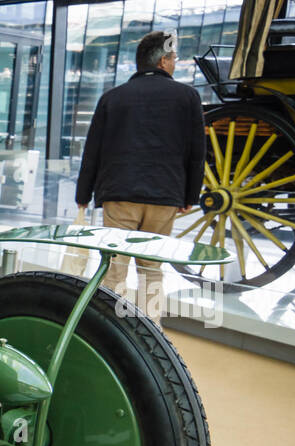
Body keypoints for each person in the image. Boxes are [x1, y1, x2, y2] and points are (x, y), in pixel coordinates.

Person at [75, 31, 205, 324]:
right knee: (152, 269)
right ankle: (151, 336)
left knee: (115, 268)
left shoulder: (112, 98)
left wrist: (83, 196)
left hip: (119, 196)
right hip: (165, 197)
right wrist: (189, 197)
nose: (175, 63)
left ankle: (113, 332)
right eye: (173, 58)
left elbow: (92, 151)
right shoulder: (188, 97)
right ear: (162, 61)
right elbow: (198, 153)